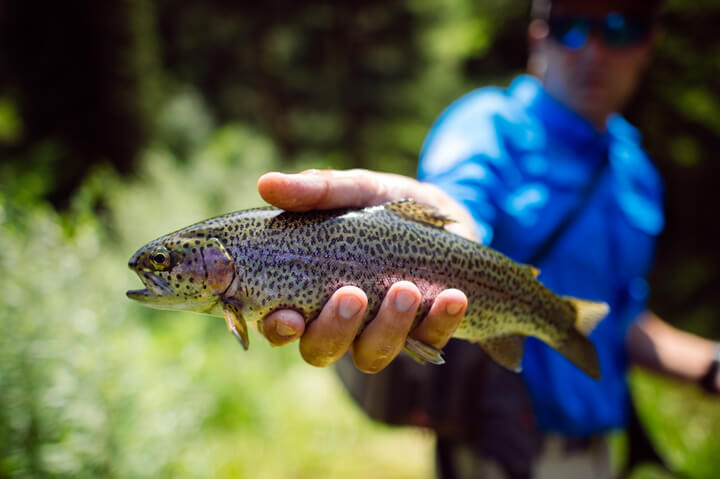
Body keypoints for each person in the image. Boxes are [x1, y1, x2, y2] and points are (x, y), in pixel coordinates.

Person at [253, 0, 720, 477]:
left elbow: (618, 315)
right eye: (571, 27)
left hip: (603, 451)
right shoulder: (486, 125)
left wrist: (710, 366)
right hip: (498, 445)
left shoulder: (637, 171)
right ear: (539, 36)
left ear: (649, 44)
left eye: (621, 28)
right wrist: (450, 233)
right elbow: (462, 201)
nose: (593, 49)